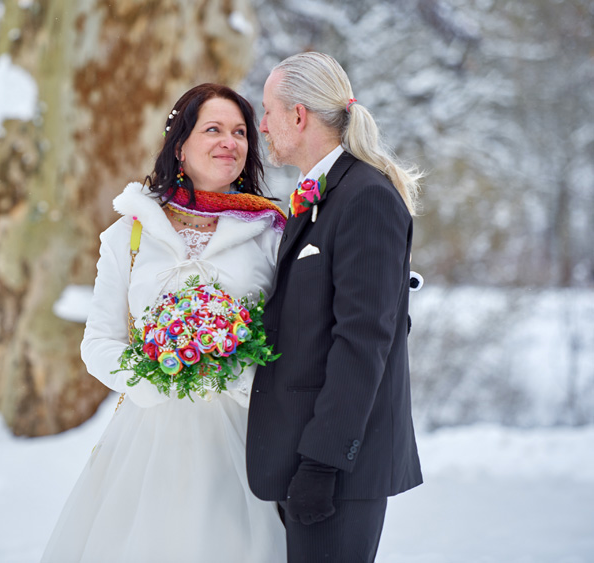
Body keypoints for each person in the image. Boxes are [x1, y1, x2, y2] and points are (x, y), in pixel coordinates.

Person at [40, 83, 288, 563]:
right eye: (212, 129)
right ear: (180, 145)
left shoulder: (271, 233)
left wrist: (240, 374)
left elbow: (292, 338)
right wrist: (149, 382)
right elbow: (100, 342)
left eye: (240, 132)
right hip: (146, 441)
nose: (230, 142)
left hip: (242, 437)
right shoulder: (128, 232)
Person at [245, 52, 424, 562]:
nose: (262, 126)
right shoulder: (324, 194)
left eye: (268, 111)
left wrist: (322, 464)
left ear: (298, 116)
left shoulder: (367, 196)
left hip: (339, 470)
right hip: (303, 457)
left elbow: (364, 342)